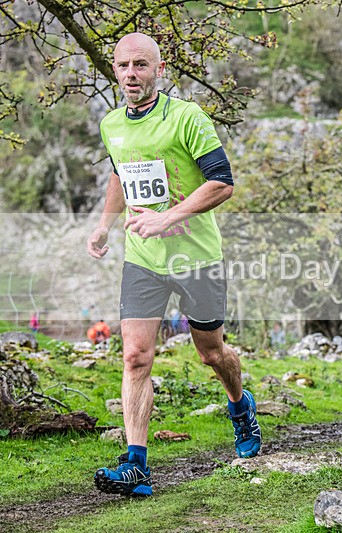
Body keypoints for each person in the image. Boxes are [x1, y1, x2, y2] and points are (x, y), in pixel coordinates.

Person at [85, 33, 261, 497]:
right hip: (142, 259)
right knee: (135, 355)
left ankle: (240, 406)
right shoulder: (111, 124)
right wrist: (105, 224)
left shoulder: (186, 117)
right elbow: (120, 175)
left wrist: (169, 217)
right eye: (122, 66)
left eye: (140, 65)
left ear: (158, 70)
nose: (130, 75)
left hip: (196, 256)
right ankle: (136, 466)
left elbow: (222, 183)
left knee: (211, 352)